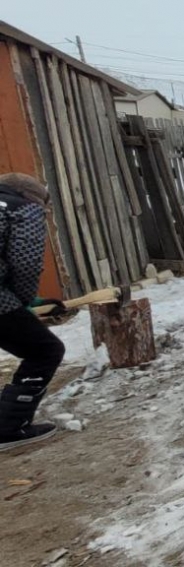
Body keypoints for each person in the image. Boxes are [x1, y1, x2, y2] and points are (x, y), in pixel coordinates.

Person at [0, 173, 65, 452]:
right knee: (45, 351)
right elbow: (25, 264)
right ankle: (8, 429)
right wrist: (23, 302)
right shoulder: (22, 208)